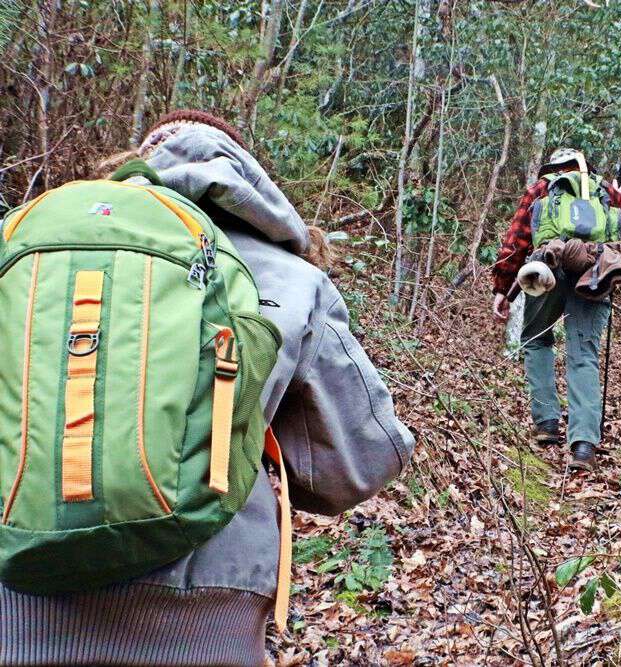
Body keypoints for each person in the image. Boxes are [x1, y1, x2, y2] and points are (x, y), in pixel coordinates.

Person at [0, 110, 415, 666]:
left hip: (17, 598)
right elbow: (357, 464)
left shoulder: (32, 248)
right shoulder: (289, 277)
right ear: (251, 179)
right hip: (207, 616)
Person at [492, 148, 621, 471]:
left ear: (552, 168)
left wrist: (503, 288)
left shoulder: (541, 189)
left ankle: (547, 423)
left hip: (548, 267)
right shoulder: (604, 190)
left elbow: (517, 241)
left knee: (537, 339)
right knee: (584, 355)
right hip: (596, 270)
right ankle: (583, 445)